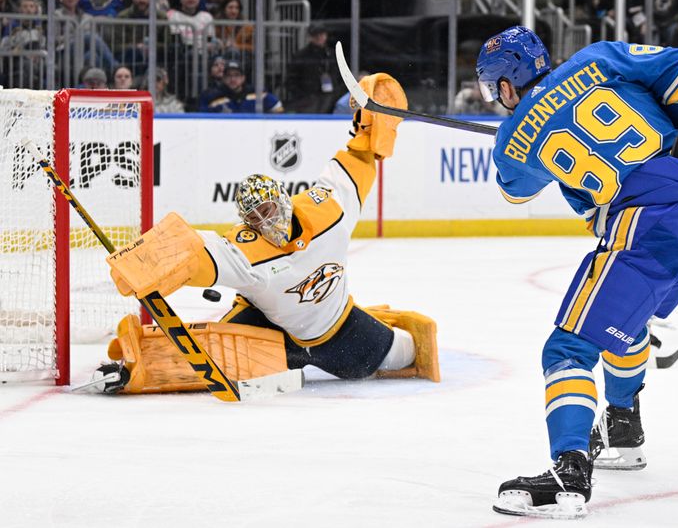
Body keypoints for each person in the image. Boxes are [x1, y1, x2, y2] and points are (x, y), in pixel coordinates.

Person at [476, 26, 678, 518]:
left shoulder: (512, 138)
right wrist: (664, 135)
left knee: (569, 345)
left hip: (656, 219)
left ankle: (567, 473)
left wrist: (526, 132)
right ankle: (622, 428)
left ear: (506, 86)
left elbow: (515, 191)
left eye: (497, 89)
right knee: (626, 320)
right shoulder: (596, 58)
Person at [91, 73, 440, 395]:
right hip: (273, 332)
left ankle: (377, 322)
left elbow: (360, 157)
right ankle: (133, 368)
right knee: (214, 350)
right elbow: (199, 253)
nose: (265, 221)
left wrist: (374, 121)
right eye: (255, 218)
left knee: (405, 351)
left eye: (269, 209)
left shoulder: (328, 209)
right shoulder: (245, 249)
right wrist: (155, 257)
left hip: (340, 334)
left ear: (284, 200)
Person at [286, 24, 338, 113]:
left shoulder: (330, 54)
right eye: (316, 35)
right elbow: (291, 79)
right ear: (310, 37)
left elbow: (337, 74)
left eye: (321, 34)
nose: (319, 37)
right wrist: (301, 96)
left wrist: (335, 92)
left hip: (328, 96)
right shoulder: (301, 56)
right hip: (307, 99)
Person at [201, 60, 283, 113]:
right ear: (224, 78)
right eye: (229, 76)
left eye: (236, 75)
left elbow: (278, 108)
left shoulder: (257, 94)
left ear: (243, 78)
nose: (232, 79)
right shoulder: (213, 97)